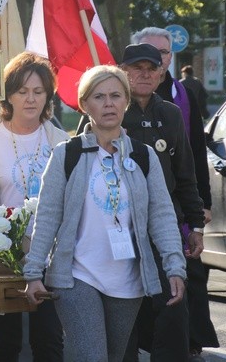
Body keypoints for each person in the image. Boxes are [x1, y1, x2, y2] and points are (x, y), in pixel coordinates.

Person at [24, 65, 186, 362]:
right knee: (91, 357)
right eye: (99, 97)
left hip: (128, 281)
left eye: (115, 95)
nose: (108, 103)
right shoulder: (66, 154)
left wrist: (175, 266)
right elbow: (47, 216)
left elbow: (161, 216)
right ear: (85, 105)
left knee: (113, 357)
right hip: (76, 277)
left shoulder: (143, 155)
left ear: (126, 100)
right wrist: (34, 272)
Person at [0, 51, 69, 362]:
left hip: (50, 254)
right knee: (5, 346)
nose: (30, 99)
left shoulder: (61, 141)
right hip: (2, 256)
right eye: (22, 91)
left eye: (38, 91)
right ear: (8, 95)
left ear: (48, 95)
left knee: (49, 342)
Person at [132, 29, 218, 359]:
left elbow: (192, 161)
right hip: (120, 225)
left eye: (159, 58)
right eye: (138, 65)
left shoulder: (177, 103)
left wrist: (198, 216)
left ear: (167, 61)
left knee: (175, 298)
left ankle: (189, 342)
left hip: (169, 219)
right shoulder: (110, 104)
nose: (148, 71)